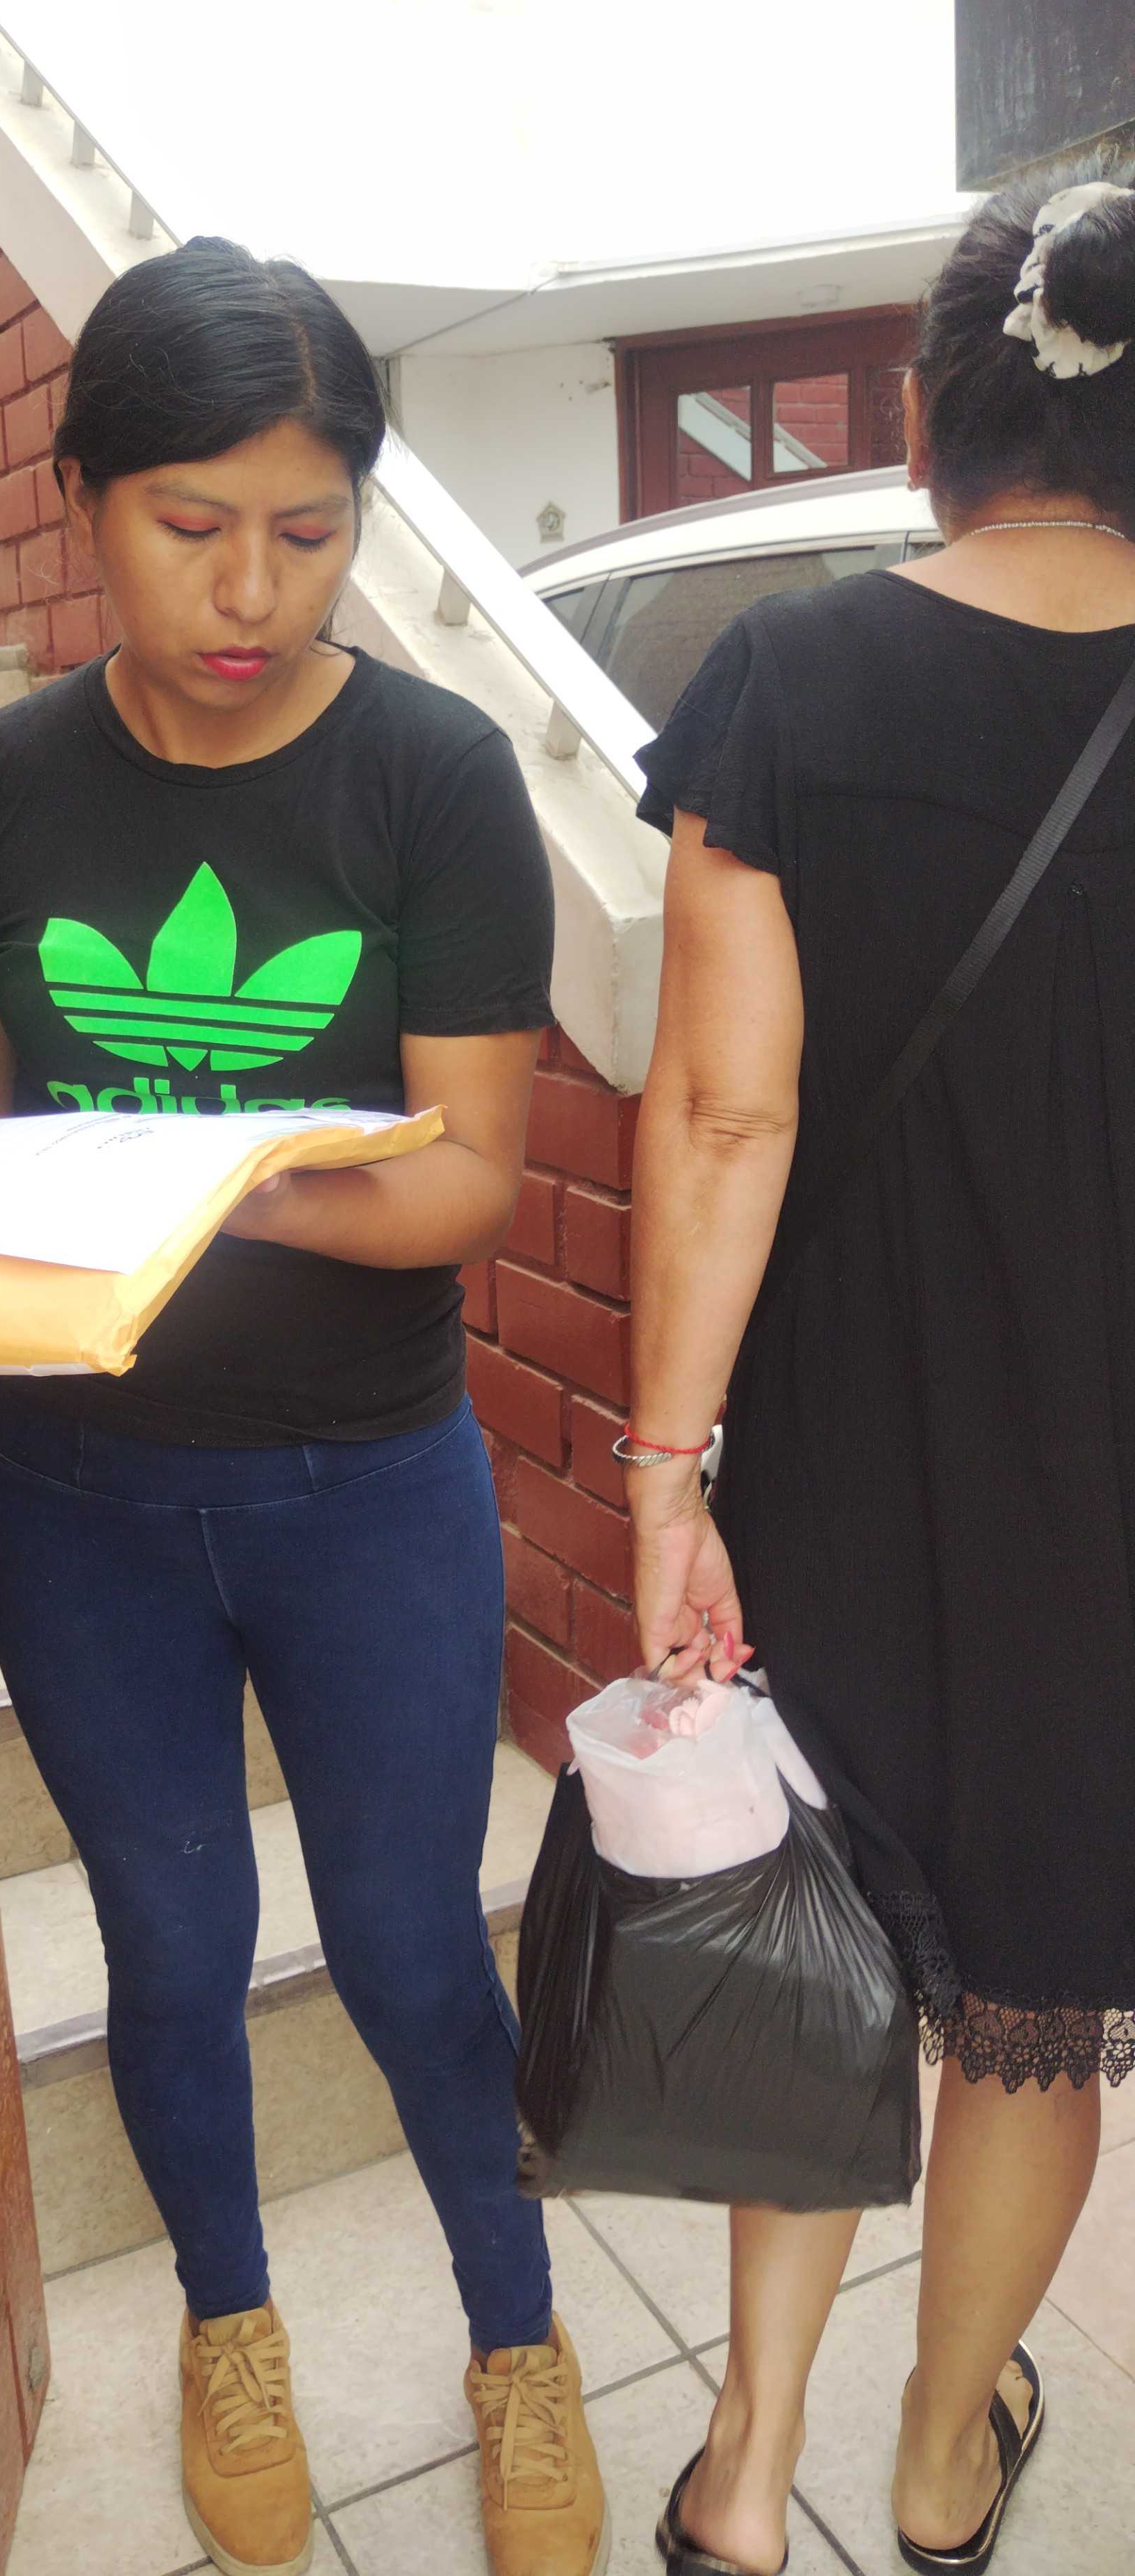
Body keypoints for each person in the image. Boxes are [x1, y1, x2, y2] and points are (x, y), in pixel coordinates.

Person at [0, 237, 608, 2576]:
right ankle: (227, 2320)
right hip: (75, 1494)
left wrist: (209, 1173)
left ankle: (517, 2340)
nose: (253, 590)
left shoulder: (435, 777)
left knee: (407, 1945)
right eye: (193, 525)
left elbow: (465, 1183)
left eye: (309, 529)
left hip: (365, 1487)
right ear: (84, 494)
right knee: (173, 1953)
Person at [623, 164, 1135, 2576]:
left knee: (815, 1961)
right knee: (1035, 2003)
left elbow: (724, 1117)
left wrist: (665, 1472)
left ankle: (743, 2472)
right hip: (1107, 1505)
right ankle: (944, 2468)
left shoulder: (788, 679)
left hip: (835, 1461)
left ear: (932, 425)